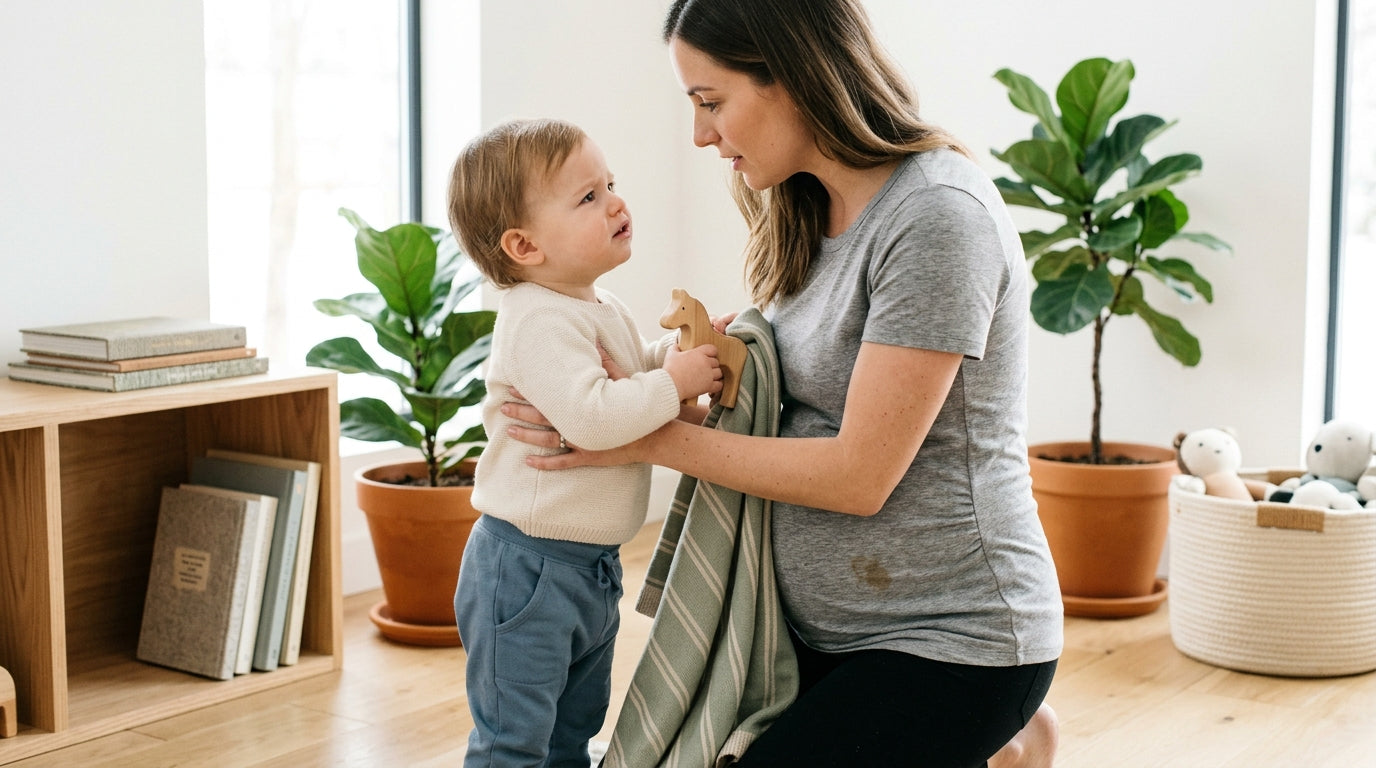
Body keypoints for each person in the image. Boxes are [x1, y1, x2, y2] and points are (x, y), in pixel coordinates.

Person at [501, 1, 1065, 766]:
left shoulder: (937, 215)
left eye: (711, 102)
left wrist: (644, 436)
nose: (701, 134)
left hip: (951, 639)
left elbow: (859, 475)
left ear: (795, 77)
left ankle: (1000, 730)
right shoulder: (807, 204)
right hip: (813, 635)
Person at [446, 117, 723, 768]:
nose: (616, 203)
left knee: (572, 732)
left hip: (585, 568)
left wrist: (681, 353)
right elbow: (594, 417)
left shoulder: (596, 304)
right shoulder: (536, 318)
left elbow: (631, 368)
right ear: (524, 245)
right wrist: (678, 381)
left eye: (611, 185)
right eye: (588, 198)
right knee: (512, 742)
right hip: (527, 569)